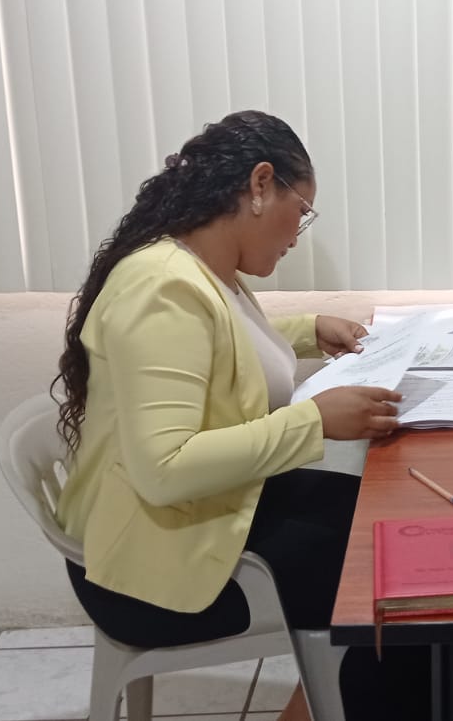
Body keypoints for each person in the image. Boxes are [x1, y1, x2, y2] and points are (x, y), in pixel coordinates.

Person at [51, 111, 427, 717]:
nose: (298, 234)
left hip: (208, 510)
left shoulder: (200, 270)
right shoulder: (161, 286)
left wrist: (307, 329)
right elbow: (165, 469)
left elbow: (214, 345)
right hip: (151, 568)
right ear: (260, 184)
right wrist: (315, 422)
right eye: (301, 211)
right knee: (401, 581)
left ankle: (327, 704)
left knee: (391, 529)